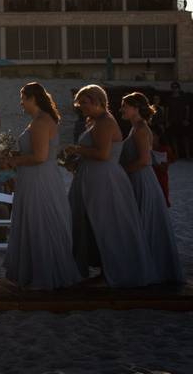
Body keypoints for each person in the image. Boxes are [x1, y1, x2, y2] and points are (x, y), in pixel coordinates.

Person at [66, 85, 151, 287]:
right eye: (79, 103)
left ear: (96, 101)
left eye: (84, 103)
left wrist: (76, 149)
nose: (81, 107)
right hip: (93, 176)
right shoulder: (97, 122)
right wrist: (77, 161)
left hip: (104, 179)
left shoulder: (105, 122)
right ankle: (103, 271)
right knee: (92, 223)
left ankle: (111, 272)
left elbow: (103, 155)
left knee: (106, 224)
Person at [3, 83, 80, 290]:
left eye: (23, 98)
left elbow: (39, 157)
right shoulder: (41, 119)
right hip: (38, 176)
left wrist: (14, 161)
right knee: (36, 220)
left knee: (40, 221)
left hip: (39, 178)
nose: (21, 102)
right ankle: (34, 271)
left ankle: (43, 274)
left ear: (32, 98)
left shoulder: (40, 122)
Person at [119, 93, 184, 284]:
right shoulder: (136, 127)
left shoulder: (140, 129)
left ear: (136, 108)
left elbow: (144, 161)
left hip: (141, 179)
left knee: (143, 221)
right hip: (138, 179)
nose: (121, 109)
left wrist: (119, 171)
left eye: (125, 106)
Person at [151, 125, 175, 206]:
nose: (151, 137)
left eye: (153, 134)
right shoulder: (147, 147)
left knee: (163, 196)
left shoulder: (165, 148)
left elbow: (171, 159)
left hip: (161, 177)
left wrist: (165, 163)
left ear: (158, 136)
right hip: (151, 176)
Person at [165, 82, 190, 159]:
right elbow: (167, 110)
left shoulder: (183, 98)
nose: (175, 89)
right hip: (173, 121)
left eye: (176, 87)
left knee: (185, 138)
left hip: (182, 121)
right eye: (173, 87)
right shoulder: (169, 98)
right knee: (174, 138)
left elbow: (187, 109)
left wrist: (186, 119)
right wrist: (167, 121)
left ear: (179, 88)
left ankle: (188, 155)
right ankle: (177, 155)